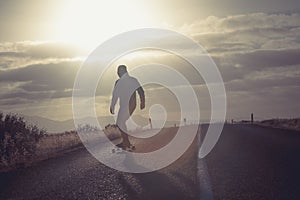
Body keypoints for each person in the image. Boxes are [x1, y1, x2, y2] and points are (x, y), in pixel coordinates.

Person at [110, 65, 145, 149]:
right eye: (117, 72)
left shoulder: (132, 80)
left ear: (123, 72)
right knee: (120, 123)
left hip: (130, 105)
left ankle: (126, 142)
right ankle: (126, 142)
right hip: (124, 106)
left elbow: (140, 91)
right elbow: (115, 95)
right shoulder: (119, 82)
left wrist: (142, 102)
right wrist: (112, 106)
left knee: (120, 122)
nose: (118, 73)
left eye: (119, 72)